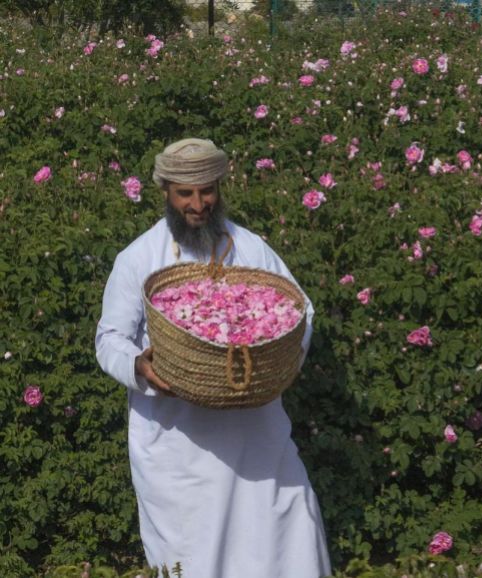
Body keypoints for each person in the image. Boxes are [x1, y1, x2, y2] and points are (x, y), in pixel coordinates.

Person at [95, 138, 331, 578]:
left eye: (208, 191)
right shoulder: (138, 258)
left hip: (257, 433)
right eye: (185, 193)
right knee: (196, 554)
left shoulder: (251, 247)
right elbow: (109, 338)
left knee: (287, 528)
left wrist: (282, 359)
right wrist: (139, 366)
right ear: (165, 191)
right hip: (179, 447)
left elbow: (303, 310)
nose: (198, 204)